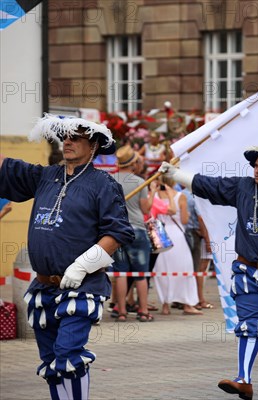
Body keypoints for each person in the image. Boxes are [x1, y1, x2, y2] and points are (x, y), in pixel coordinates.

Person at [160, 145, 258, 400]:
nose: (256, 170)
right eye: (255, 166)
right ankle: (243, 379)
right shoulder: (243, 187)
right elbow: (212, 186)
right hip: (247, 270)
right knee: (250, 325)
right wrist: (176, 175)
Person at [0, 114, 134, 399]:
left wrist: (82, 266)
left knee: (68, 354)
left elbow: (119, 233)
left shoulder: (104, 184)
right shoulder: (45, 176)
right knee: (50, 360)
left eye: (76, 137)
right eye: (65, 137)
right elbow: (6, 167)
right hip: (43, 287)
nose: (68, 142)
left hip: (81, 287)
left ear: (94, 145)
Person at [112, 145, 156, 322]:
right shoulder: (139, 182)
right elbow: (146, 208)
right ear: (133, 163)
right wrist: (152, 191)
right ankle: (143, 311)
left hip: (117, 231)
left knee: (121, 273)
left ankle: (121, 311)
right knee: (140, 273)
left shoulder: (110, 180)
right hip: (137, 229)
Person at [153, 177, 203, 316]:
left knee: (163, 270)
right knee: (185, 269)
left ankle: (165, 305)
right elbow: (185, 220)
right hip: (177, 236)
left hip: (161, 235)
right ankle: (187, 304)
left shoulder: (155, 196)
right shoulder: (180, 196)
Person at [183, 187, 215, 310]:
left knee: (193, 267)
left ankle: (187, 299)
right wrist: (208, 241)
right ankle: (198, 299)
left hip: (185, 233)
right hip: (197, 234)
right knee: (199, 267)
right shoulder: (196, 196)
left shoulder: (182, 194)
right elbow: (201, 219)